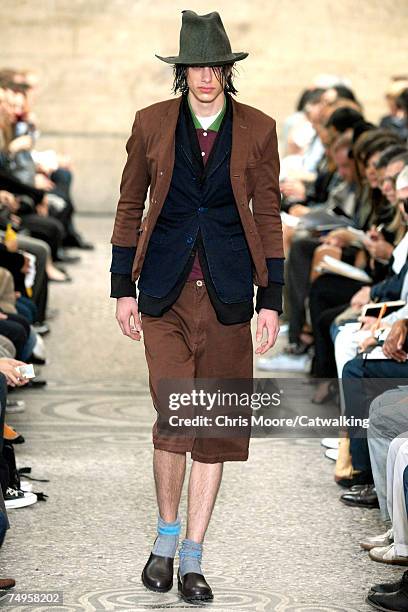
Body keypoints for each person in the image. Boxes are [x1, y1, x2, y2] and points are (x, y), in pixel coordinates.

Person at [109, 10, 284, 604]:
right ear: (181, 73)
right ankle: (163, 537)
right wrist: (121, 287)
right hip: (164, 290)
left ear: (228, 71)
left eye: (215, 66)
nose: (205, 76)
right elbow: (130, 203)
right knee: (177, 414)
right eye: (195, 67)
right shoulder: (151, 124)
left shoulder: (258, 128)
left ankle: (191, 557)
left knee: (216, 427)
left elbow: (269, 215)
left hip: (233, 295)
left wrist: (273, 300)